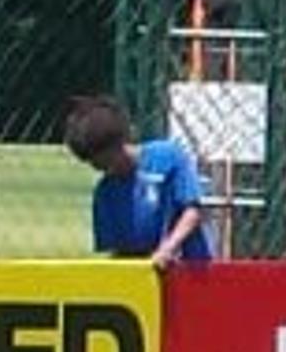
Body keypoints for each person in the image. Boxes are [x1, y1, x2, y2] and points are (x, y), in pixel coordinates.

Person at [62, 94, 212, 270]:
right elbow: (119, 250)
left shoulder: (168, 157)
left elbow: (193, 210)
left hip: (191, 270)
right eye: (92, 163)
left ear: (120, 141)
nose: (99, 167)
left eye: (104, 159)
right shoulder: (105, 193)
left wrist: (169, 247)